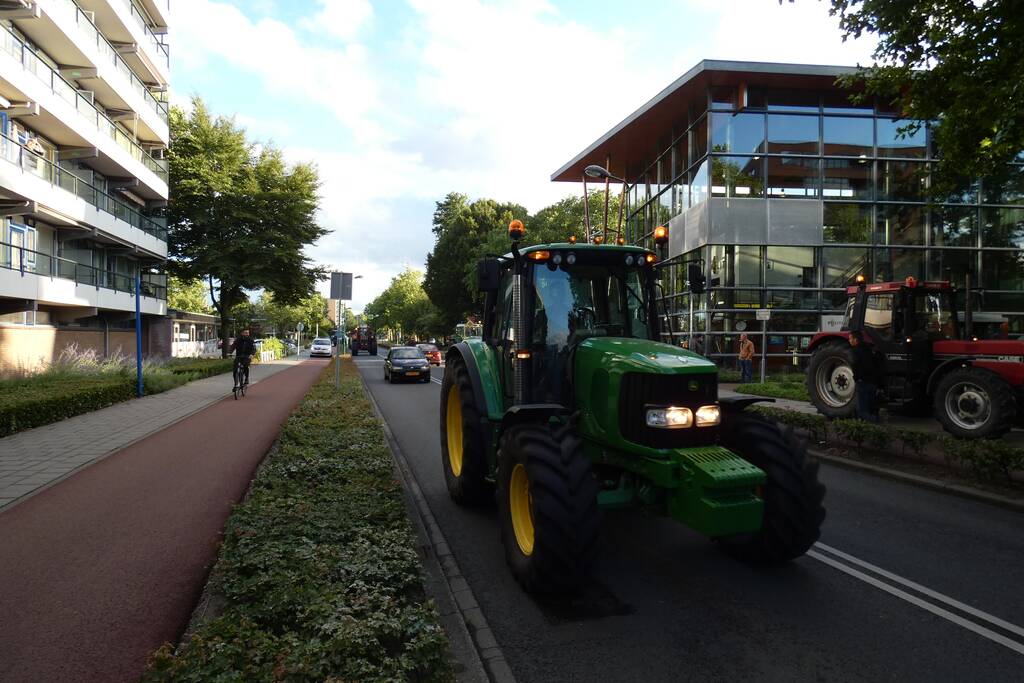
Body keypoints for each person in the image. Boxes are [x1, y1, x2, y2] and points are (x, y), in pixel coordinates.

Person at [849, 330, 881, 423]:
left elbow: (856, 366)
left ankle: (874, 424)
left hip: (863, 383)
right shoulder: (869, 350)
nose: (849, 341)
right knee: (871, 408)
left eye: (850, 338)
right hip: (873, 383)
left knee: (862, 411)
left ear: (856, 340)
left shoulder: (856, 351)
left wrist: (856, 378)